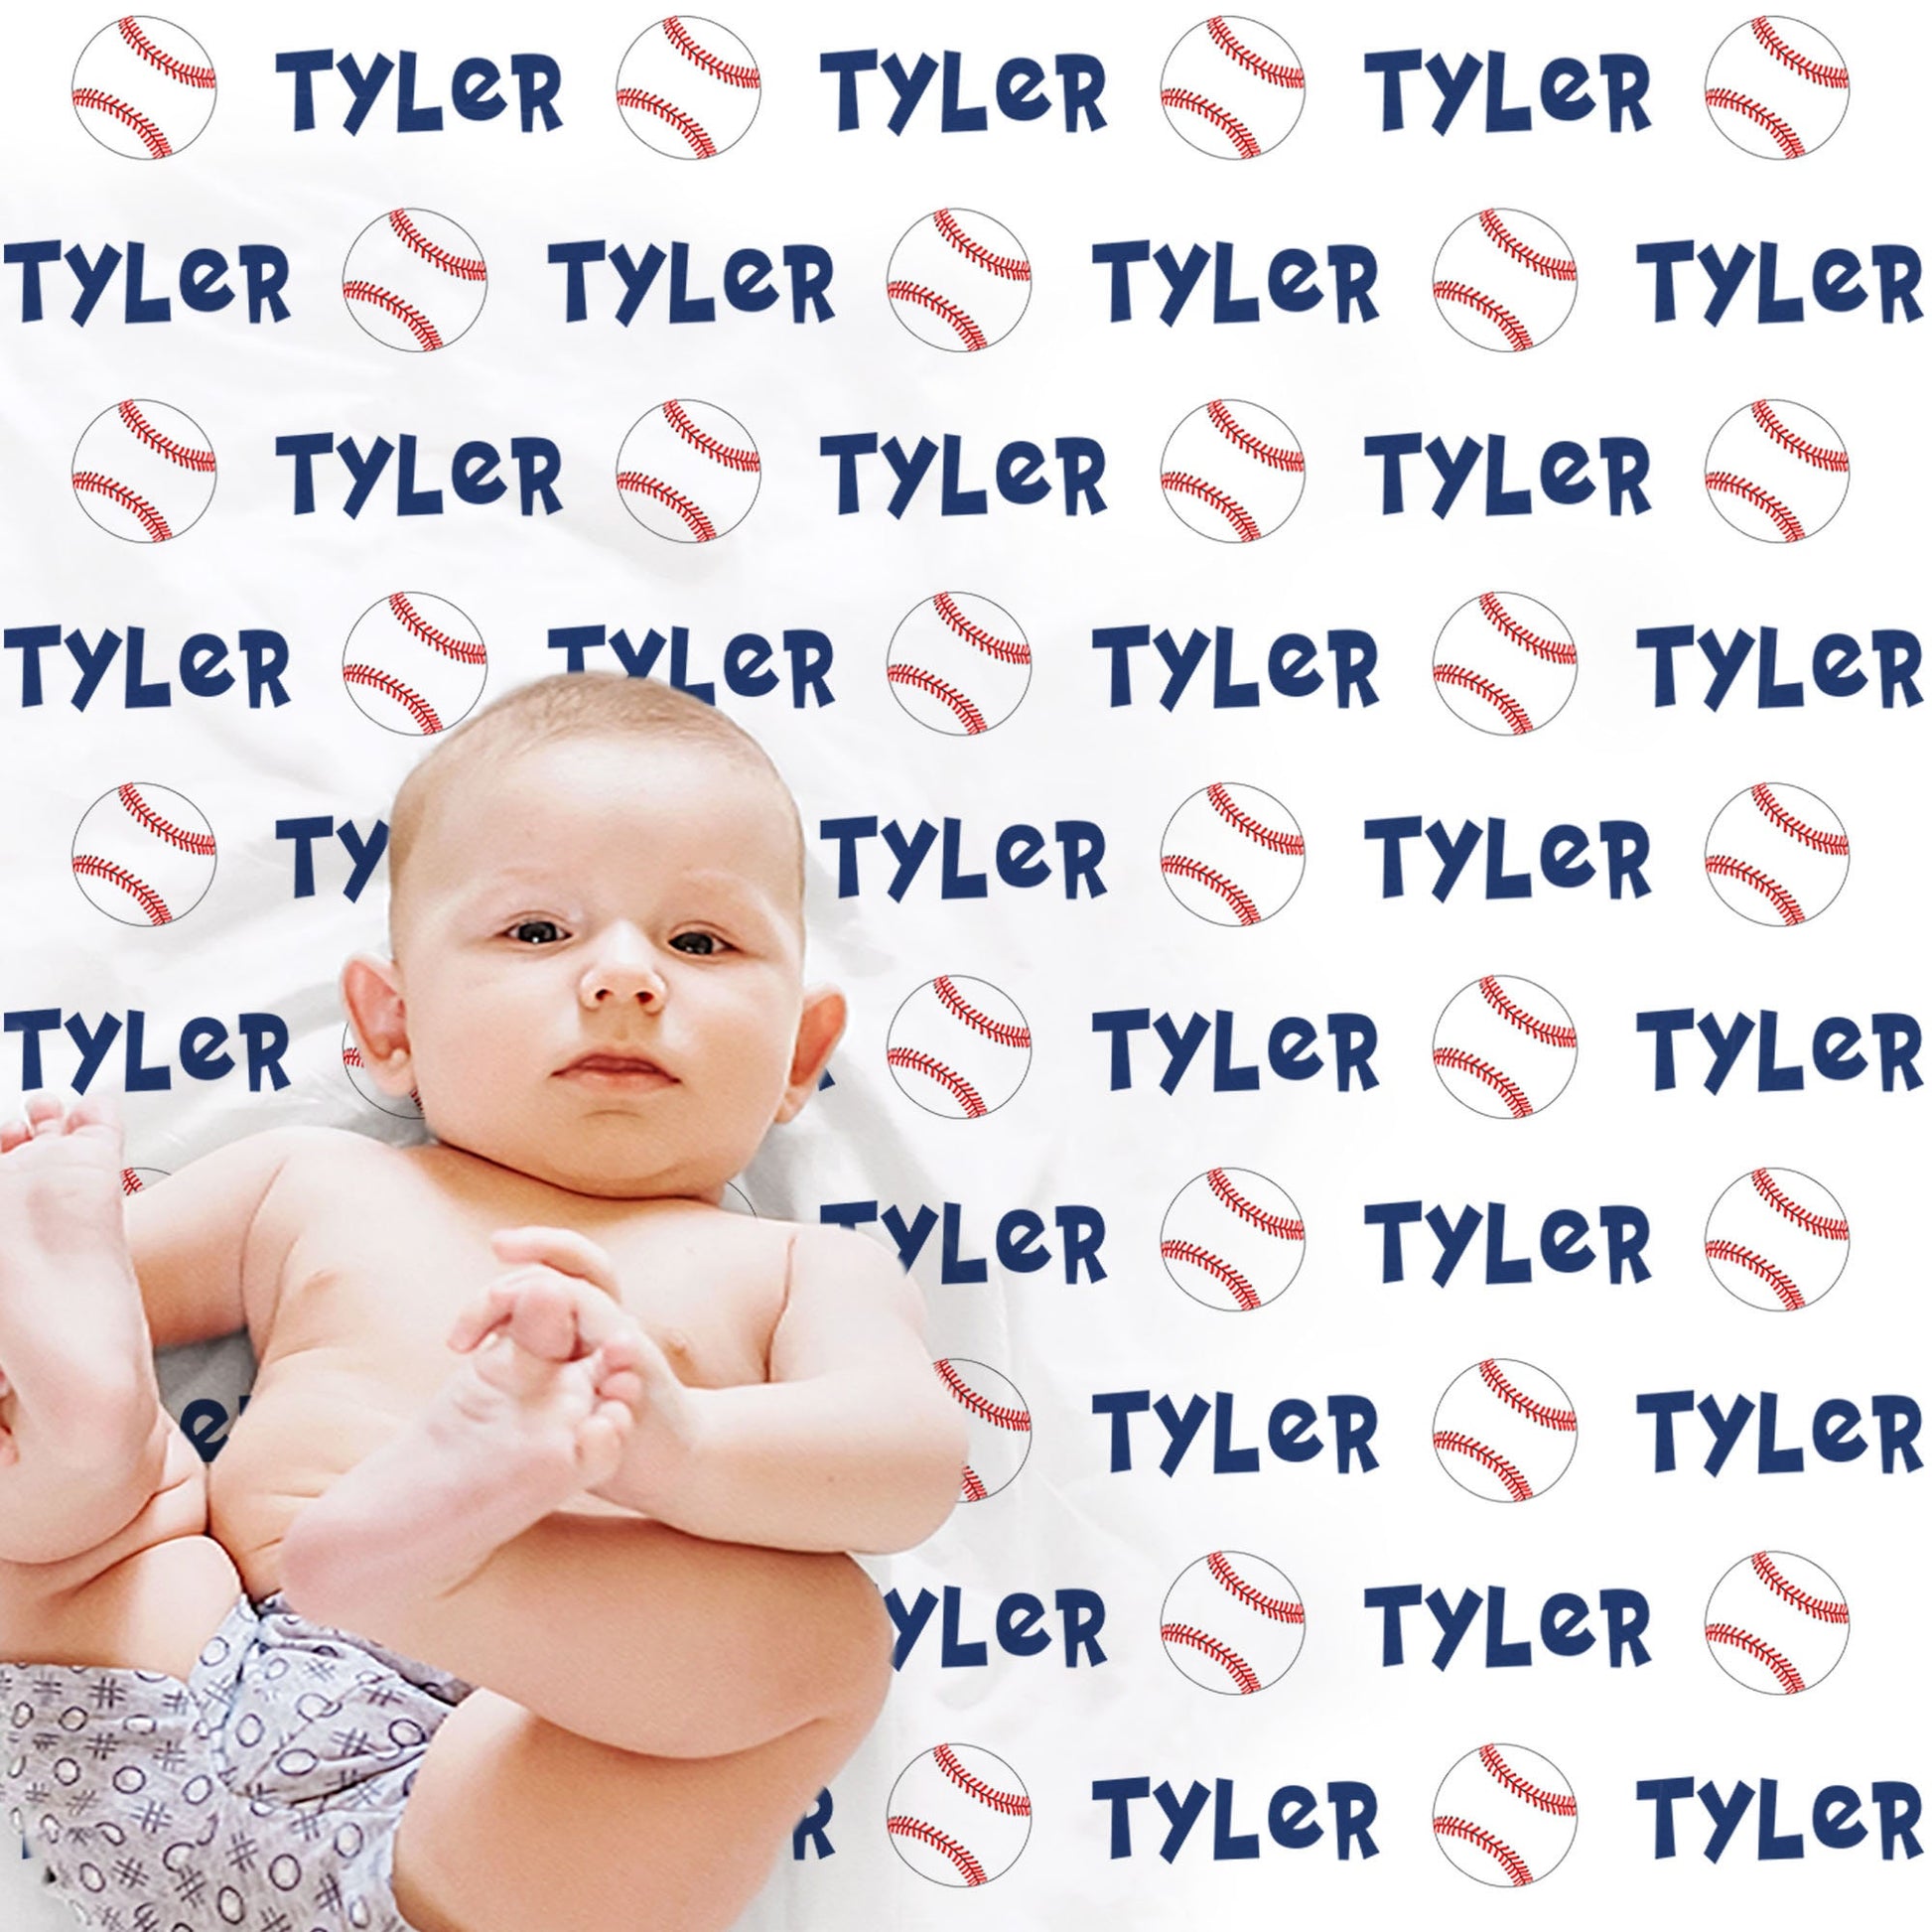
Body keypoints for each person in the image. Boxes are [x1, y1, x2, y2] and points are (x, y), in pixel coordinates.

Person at [0, 671, 968, 1932]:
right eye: (537, 931)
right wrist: (79, 1306)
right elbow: (116, 1285)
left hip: (488, 1799)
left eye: (699, 943)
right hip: (167, 1662)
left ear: (798, 1054)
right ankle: (80, 1425)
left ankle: (407, 1569)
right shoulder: (315, 1177)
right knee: (90, 1469)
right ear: (391, 1024)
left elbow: (905, 1463)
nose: (625, 978)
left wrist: (677, 1448)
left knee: (825, 1638)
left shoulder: (798, 1267)